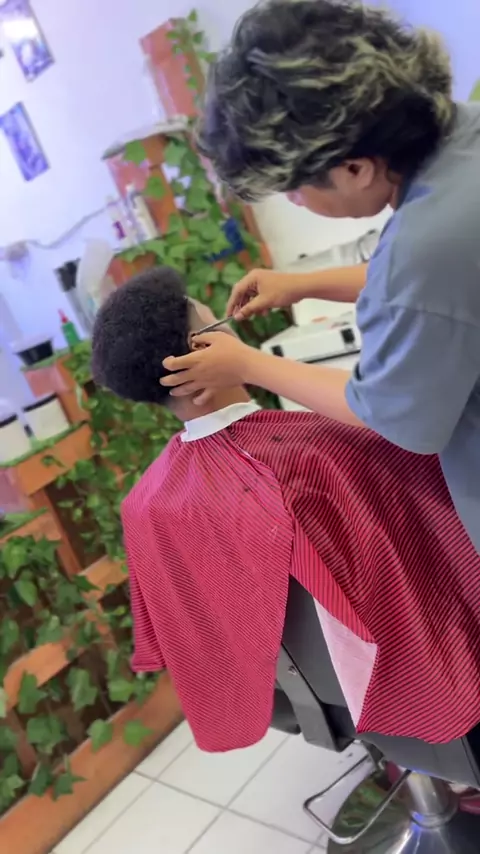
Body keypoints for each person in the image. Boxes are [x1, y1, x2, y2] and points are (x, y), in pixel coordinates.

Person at [91, 266, 480, 753]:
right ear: (203, 350)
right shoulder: (323, 453)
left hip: (329, 692)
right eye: (216, 324)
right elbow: (430, 452)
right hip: (421, 663)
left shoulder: (148, 505)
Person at [160, 0, 480, 556]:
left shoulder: (423, 248)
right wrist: (302, 284)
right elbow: (449, 288)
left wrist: (250, 364)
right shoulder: (465, 140)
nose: (294, 201)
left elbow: (387, 417)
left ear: (353, 168)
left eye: (294, 189)